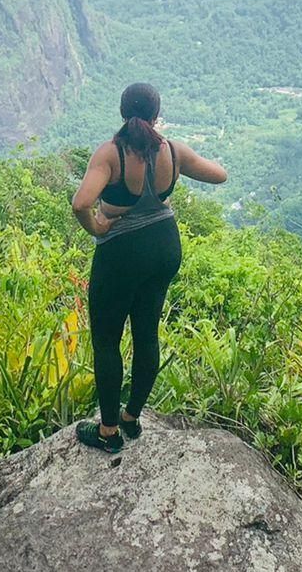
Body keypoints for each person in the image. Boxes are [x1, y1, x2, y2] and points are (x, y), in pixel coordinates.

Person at [70, 83, 227, 453]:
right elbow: (219, 175)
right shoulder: (172, 151)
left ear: (122, 112)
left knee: (107, 341)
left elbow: (81, 203)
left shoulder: (110, 154)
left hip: (121, 253)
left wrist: (97, 225)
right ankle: (132, 418)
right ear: (156, 116)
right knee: (147, 334)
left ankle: (109, 432)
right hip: (164, 247)